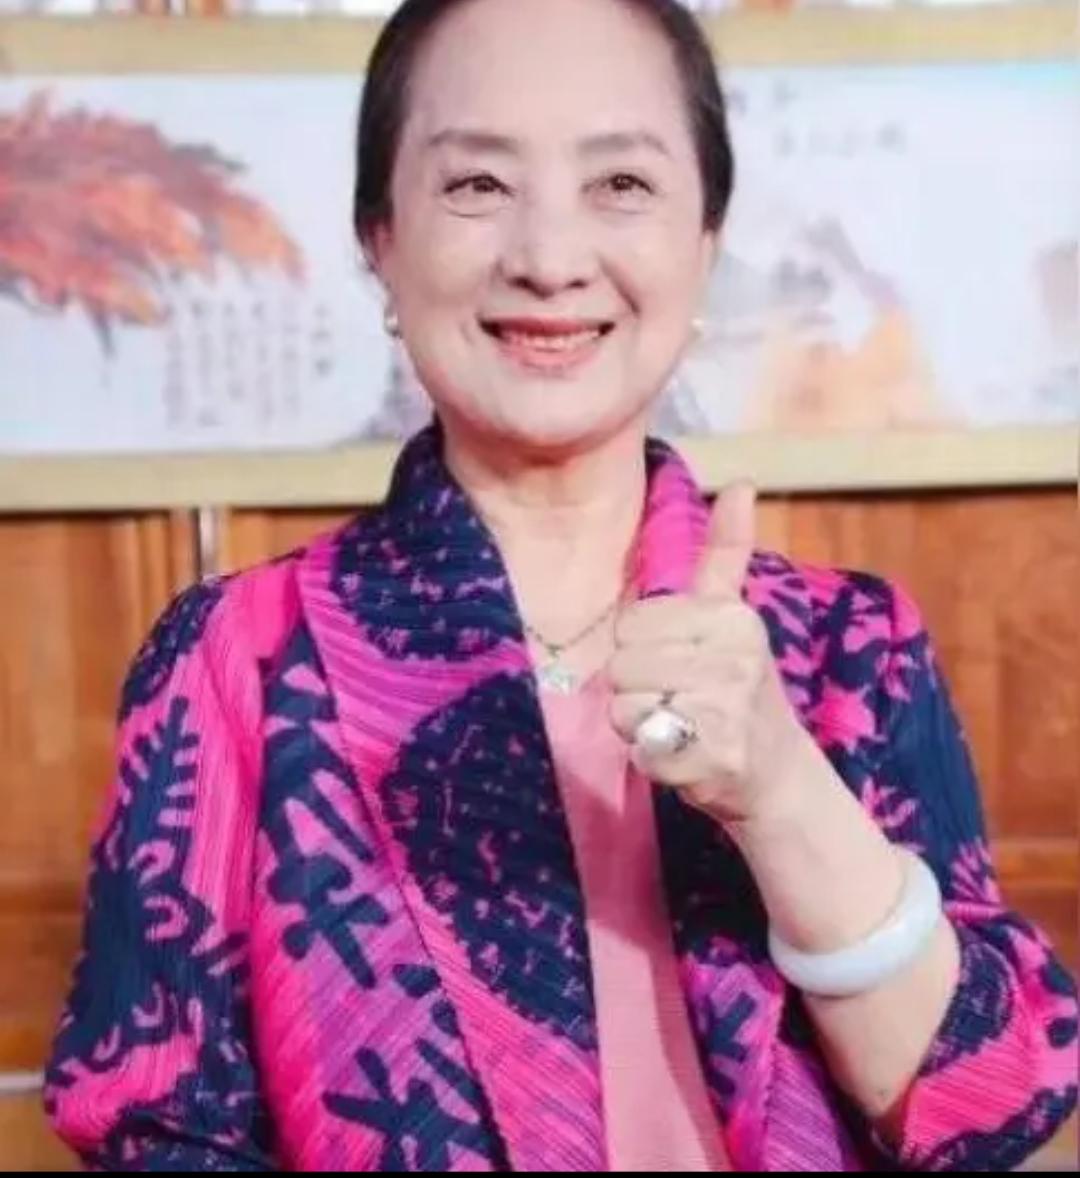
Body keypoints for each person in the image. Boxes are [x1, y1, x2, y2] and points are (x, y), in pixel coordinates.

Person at [45, 0, 1077, 1170]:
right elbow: (153, 1127)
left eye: (621, 184)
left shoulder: (851, 643)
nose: (548, 257)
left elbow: (993, 1107)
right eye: (477, 184)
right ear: (380, 236)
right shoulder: (236, 655)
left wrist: (783, 788)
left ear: (705, 239)